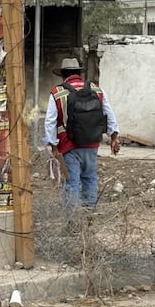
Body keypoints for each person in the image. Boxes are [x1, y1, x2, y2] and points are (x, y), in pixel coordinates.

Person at [44, 57, 121, 210]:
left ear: (63, 75)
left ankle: (73, 220)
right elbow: (109, 113)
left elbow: (50, 122)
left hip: (68, 146)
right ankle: (89, 214)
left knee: (71, 183)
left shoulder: (57, 93)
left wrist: (53, 146)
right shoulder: (97, 90)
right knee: (90, 178)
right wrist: (114, 137)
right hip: (92, 144)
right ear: (79, 73)